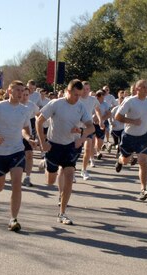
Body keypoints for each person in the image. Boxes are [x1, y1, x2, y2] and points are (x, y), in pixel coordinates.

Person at [36, 79, 94, 226]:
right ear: (68, 91)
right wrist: (43, 142)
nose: (77, 98)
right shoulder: (56, 104)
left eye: (80, 95)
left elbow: (91, 127)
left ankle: (62, 213)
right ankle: (45, 163)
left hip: (71, 146)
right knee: (50, 181)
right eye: (75, 94)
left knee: (69, 175)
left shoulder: (81, 106)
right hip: (53, 145)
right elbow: (39, 121)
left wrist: (82, 134)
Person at [0, 80, 33, 232]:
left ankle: (13, 219)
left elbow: (24, 129)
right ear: (9, 91)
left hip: (17, 150)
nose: (20, 93)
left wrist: (29, 139)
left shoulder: (24, 110)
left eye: (22, 90)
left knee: (17, 183)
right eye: (17, 90)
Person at [114, 79, 147, 201]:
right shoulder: (130, 101)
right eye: (143, 87)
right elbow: (118, 116)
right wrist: (133, 121)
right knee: (125, 160)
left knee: (143, 162)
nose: (146, 89)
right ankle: (120, 160)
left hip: (144, 136)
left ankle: (143, 189)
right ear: (137, 89)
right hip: (129, 136)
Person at [78, 81, 101, 181]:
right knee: (75, 151)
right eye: (84, 89)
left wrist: (100, 119)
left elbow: (97, 109)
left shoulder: (93, 99)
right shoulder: (77, 98)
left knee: (88, 149)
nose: (86, 91)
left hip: (88, 128)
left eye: (88, 89)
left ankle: (84, 170)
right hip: (76, 128)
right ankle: (72, 169)